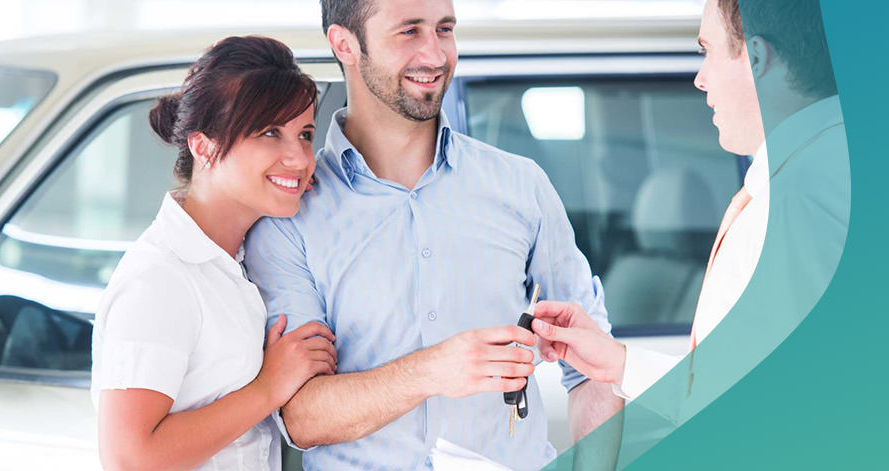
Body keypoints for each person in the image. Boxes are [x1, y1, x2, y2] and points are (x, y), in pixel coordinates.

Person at [242, 0, 622, 469]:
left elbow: (592, 370)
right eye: (409, 32)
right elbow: (300, 417)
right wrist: (431, 370)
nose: (436, 55)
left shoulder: (521, 187)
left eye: (445, 29)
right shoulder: (289, 216)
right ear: (345, 45)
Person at [528, 0, 849, 403]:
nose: (700, 78)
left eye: (707, 51)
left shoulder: (805, 202)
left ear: (755, 57)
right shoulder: (812, 180)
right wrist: (620, 363)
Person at [90, 36, 338, 471]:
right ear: (203, 147)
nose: (300, 158)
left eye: (305, 134)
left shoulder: (236, 256)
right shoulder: (161, 279)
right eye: (269, 133)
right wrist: (268, 388)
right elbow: (130, 458)